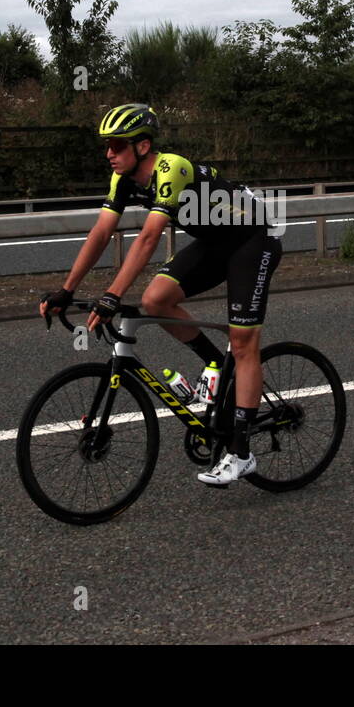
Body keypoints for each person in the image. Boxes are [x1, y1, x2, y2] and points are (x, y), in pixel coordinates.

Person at [39, 104, 282, 485]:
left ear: (143, 146)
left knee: (245, 340)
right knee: (155, 300)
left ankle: (241, 452)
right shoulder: (123, 181)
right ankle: (220, 366)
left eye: (116, 146)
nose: (109, 154)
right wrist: (66, 290)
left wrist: (113, 294)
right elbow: (101, 233)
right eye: (107, 146)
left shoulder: (172, 167)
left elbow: (150, 237)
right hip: (215, 242)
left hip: (253, 237)